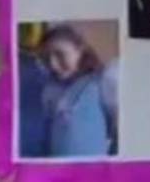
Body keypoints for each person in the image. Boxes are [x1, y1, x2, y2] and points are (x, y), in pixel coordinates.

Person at [40, 26, 116, 158]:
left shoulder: (98, 83)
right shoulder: (50, 91)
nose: (53, 64)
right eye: (46, 58)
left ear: (80, 50)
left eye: (60, 54)